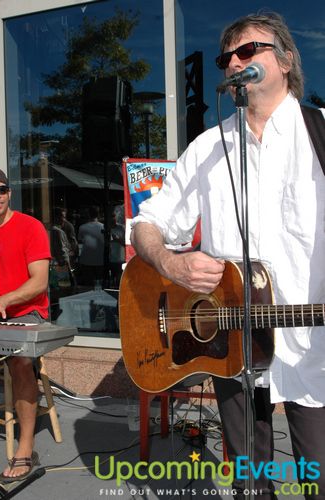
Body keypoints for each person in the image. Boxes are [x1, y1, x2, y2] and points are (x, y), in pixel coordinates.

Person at [131, 12, 325, 500]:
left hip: (313, 347)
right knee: (249, 483)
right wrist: (172, 264)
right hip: (232, 344)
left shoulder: (320, 133)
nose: (235, 63)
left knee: (317, 479)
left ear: (285, 60)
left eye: (248, 51)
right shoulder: (205, 149)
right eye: (227, 58)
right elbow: (145, 224)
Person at [0, 167, 51, 483]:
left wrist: (4, 300)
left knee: (19, 361)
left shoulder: (30, 227)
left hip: (27, 313)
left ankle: (25, 448)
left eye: (1, 189)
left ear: (9, 192)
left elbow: (40, 283)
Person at [77, 205, 104, 286]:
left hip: (86, 260)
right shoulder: (103, 227)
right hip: (100, 260)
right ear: (98, 214)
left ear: (88, 214)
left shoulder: (82, 227)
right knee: (99, 285)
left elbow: (80, 240)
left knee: (88, 285)